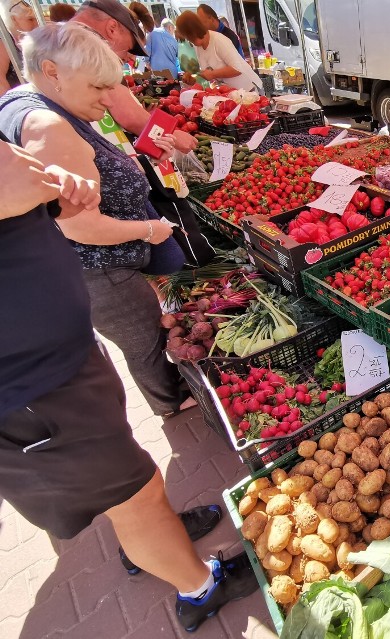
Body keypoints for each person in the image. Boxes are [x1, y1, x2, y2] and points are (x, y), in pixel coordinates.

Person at [0, 132, 257, 634]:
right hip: (30, 388)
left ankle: (153, 537)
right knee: (131, 492)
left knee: (129, 482)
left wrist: (51, 195)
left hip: (57, 363)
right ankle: (199, 588)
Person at [0, 21, 193, 418]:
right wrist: (152, 230)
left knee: (143, 336)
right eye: (98, 87)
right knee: (143, 340)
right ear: (52, 71)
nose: (109, 99)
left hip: (83, 267)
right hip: (100, 269)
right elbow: (80, 225)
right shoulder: (48, 126)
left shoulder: (23, 100)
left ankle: (167, 398)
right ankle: (171, 403)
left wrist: (140, 161)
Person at [68, 0, 197, 152]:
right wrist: (172, 134)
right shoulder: (81, 53)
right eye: (127, 49)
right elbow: (127, 115)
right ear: (112, 29)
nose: (129, 59)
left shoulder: (65, 46)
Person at [175, 10, 261, 92]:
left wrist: (213, 74)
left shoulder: (219, 41)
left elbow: (238, 69)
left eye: (189, 37)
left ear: (194, 32)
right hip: (229, 93)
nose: (189, 40)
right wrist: (193, 78)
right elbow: (209, 68)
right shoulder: (197, 46)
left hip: (247, 91)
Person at [0, 0, 38, 96]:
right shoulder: (5, 41)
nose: (37, 24)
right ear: (13, 19)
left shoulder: (33, 40)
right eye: (30, 19)